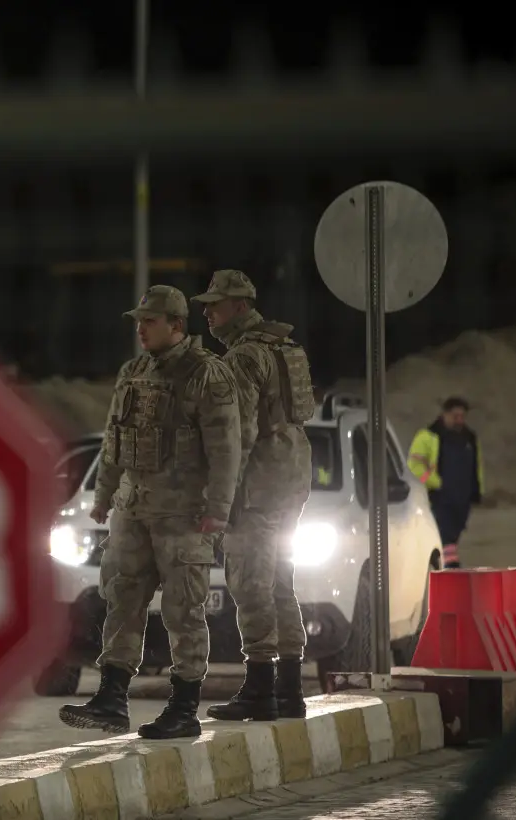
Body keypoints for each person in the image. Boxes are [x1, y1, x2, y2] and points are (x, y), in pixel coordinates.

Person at [59, 285, 241, 740]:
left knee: (183, 610)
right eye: (138, 321)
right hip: (133, 509)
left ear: (177, 325)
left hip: (183, 515)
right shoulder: (134, 371)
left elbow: (225, 450)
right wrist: (102, 497)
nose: (140, 328)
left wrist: (218, 510)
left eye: (150, 321)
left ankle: (183, 708)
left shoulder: (206, 374)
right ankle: (112, 699)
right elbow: (114, 440)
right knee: (122, 599)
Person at [193, 269, 316, 721]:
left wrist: (218, 499)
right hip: (291, 478)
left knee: (249, 583)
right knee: (281, 581)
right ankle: (290, 690)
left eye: (216, 304)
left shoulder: (244, 357)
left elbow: (236, 434)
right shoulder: (285, 347)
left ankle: (260, 688)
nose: (207, 313)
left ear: (240, 306)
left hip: (259, 486)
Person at [406, 397, 483, 569]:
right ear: (444, 415)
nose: (459, 421)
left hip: (462, 498)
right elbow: (414, 466)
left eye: (462, 416)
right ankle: (450, 566)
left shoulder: (469, 438)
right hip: (438, 496)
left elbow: (476, 466)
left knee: (453, 533)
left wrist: (476, 489)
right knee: (445, 533)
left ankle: (446, 562)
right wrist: (435, 483)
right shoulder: (427, 436)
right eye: (455, 416)